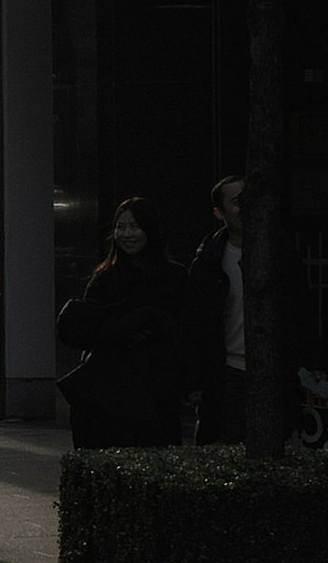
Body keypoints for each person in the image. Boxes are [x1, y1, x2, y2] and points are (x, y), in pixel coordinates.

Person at [57, 199, 187, 450]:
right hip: (110, 392)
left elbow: (185, 332)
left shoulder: (175, 277)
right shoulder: (105, 279)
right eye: (121, 227)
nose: (127, 234)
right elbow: (89, 329)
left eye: (135, 227)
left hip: (157, 390)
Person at [191, 174, 249, 442]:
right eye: (239, 202)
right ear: (219, 212)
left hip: (272, 370)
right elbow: (198, 323)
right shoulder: (210, 260)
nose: (247, 207)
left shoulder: (279, 252)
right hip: (230, 369)